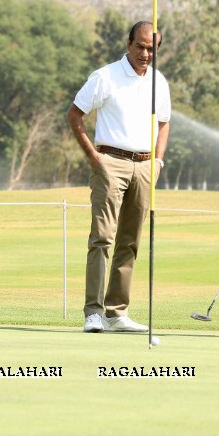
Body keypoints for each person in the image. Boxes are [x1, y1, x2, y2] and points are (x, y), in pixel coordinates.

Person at [67, 21, 170, 333]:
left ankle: (116, 312)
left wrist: (159, 161)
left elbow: (164, 123)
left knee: (130, 241)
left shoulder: (159, 81)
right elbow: (74, 114)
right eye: (140, 46)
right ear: (129, 44)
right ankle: (93, 313)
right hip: (110, 161)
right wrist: (94, 158)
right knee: (102, 238)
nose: (145, 53)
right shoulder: (105, 76)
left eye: (152, 49)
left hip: (144, 165)